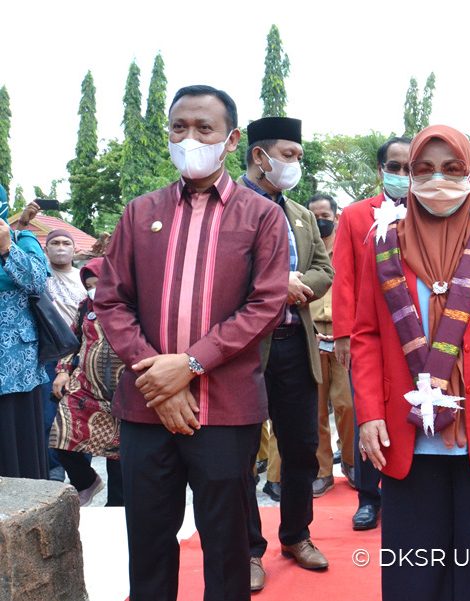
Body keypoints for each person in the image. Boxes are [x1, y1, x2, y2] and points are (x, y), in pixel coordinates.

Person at [94, 85, 290, 601]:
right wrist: (159, 377)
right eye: (179, 127)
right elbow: (111, 302)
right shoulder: (139, 213)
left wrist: (191, 365)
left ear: (231, 140)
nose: (189, 138)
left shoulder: (262, 215)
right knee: (150, 543)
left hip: (225, 411)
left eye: (204, 128)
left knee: (226, 550)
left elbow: (266, 304)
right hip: (146, 407)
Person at [354, 125, 470, 601]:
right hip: (408, 434)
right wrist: (370, 413)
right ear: (410, 174)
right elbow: (366, 334)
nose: (438, 179)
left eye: (451, 168)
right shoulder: (383, 240)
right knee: (416, 570)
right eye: (425, 169)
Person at [238, 116, 334, 591]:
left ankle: (296, 534)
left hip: (296, 342)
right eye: (290, 155)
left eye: (298, 155)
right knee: (239, 453)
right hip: (242, 352)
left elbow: (323, 268)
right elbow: (221, 274)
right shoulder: (226, 207)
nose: (297, 163)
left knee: (300, 447)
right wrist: (278, 285)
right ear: (261, 156)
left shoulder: (299, 213)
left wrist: (301, 287)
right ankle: (249, 549)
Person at [332, 135, 411, 530]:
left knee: (408, 408)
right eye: (394, 167)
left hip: (415, 332)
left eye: (408, 168)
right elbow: (343, 277)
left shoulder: (429, 211)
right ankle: (368, 496)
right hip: (368, 334)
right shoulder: (356, 215)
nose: (401, 175)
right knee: (367, 409)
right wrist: (344, 335)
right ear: (380, 170)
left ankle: (406, 486)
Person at [50, 258, 125, 506]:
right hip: (86, 389)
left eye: (99, 284)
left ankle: (117, 507)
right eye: (90, 285)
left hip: (122, 392)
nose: (95, 290)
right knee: (60, 437)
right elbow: (72, 342)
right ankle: (86, 481)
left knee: (118, 455)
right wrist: (63, 370)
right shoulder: (85, 307)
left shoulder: (132, 307)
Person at [0, 184, 51, 479]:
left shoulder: (24, 240)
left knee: (16, 440)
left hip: (15, 367)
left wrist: (7, 249)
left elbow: (37, 282)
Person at [307, 192, 355, 497]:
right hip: (311, 336)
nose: (320, 221)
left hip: (343, 337)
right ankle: (322, 470)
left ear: (336, 216)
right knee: (315, 408)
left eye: (325, 216)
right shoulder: (305, 247)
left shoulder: (346, 246)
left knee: (346, 404)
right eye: (314, 216)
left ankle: (351, 462)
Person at [42, 229, 88, 480]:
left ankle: (84, 480)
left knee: (80, 419)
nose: (60, 247)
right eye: (55, 243)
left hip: (80, 355)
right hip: (48, 356)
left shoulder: (85, 280)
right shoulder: (41, 277)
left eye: (66, 243)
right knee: (48, 421)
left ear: (74, 249)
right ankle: (55, 475)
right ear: (45, 249)